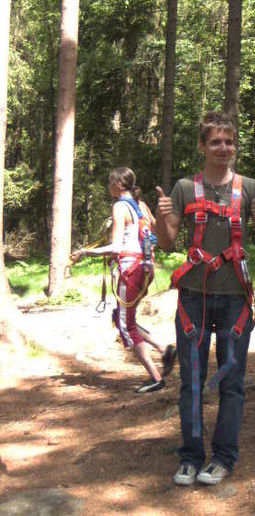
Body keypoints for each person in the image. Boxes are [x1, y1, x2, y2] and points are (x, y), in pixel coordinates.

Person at [155, 111, 255, 486]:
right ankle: (190, 457)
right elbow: (167, 241)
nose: (224, 148)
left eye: (229, 142)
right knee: (192, 381)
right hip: (194, 297)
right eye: (216, 142)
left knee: (231, 380)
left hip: (235, 300)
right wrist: (160, 217)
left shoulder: (250, 188)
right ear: (203, 146)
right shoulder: (184, 189)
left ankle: (223, 457)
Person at [71, 167, 176, 393]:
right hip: (146, 270)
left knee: (126, 325)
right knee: (122, 317)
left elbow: (117, 246)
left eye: (110, 182)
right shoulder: (143, 206)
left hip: (131, 271)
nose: (108, 186)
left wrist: (85, 252)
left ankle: (156, 377)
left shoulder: (120, 206)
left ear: (119, 184)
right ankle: (163, 349)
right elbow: (160, 235)